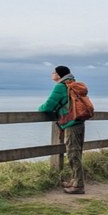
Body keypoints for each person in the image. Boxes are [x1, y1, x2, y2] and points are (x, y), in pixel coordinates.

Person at [38, 65, 86, 194]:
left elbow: (48, 106)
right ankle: (75, 181)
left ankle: (78, 185)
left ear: (59, 75)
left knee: (73, 153)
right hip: (79, 121)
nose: (52, 74)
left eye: (54, 72)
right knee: (76, 152)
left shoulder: (60, 86)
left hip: (71, 123)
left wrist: (39, 109)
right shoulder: (72, 84)